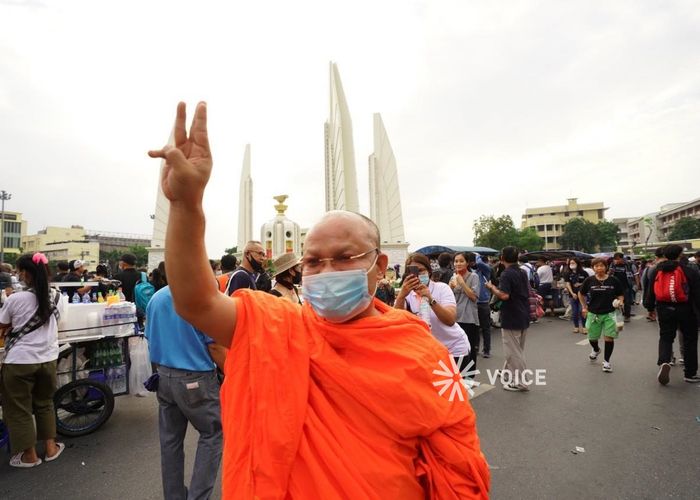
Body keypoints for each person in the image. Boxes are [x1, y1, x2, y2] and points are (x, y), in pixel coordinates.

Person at [147, 102, 489, 498]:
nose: (326, 271)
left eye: (345, 258)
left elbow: (457, 464)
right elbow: (196, 302)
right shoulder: (277, 326)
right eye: (312, 262)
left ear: (379, 265)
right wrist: (186, 205)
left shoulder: (420, 351)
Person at [146, 284, 226, 499]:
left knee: (170, 441)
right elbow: (215, 346)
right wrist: (233, 373)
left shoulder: (157, 298)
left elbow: (149, 338)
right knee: (213, 434)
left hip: (164, 376)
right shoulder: (198, 296)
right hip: (196, 378)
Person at [0, 253, 65, 467]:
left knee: (19, 409)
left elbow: (3, 325)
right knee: (45, 403)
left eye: (19, 271)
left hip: (19, 361)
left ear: (26, 273)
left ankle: (29, 456)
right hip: (48, 359)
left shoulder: (15, 299)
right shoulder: (58, 297)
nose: (18, 275)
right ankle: (51, 448)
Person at [396, 253, 471, 369]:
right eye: (412, 271)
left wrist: (430, 299)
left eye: (421, 270)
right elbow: (397, 321)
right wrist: (401, 296)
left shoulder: (442, 288)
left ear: (429, 271)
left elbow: (450, 320)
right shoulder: (407, 295)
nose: (417, 275)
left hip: (454, 348)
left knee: (455, 386)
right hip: (429, 352)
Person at [643, 244, 700, 384]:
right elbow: (697, 294)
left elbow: (650, 291)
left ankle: (664, 361)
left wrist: (650, 308)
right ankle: (690, 373)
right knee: (690, 340)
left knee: (666, 337)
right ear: (680, 255)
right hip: (686, 310)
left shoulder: (657, 270)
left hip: (664, 309)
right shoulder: (689, 270)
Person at [485, 247, 531, 391]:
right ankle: (507, 372)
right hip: (523, 313)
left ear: (502, 258)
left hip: (512, 315)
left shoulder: (506, 274)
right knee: (517, 348)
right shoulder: (522, 272)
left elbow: (504, 295)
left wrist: (491, 287)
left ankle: (520, 382)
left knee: (513, 351)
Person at [578, 258, 624, 373]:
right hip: (593, 313)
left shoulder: (613, 280)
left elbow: (620, 294)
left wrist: (620, 301)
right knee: (592, 338)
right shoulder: (589, 280)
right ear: (593, 268)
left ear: (606, 267)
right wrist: (584, 307)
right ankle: (596, 349)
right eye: (597, 266)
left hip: (610, 313)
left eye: (602, 266)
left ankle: (607, 362)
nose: (599, 268)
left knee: (609, 338)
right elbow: (581, 293)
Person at [449, 252, 481, 373]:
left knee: (470, 349)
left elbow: (473, 297)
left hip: (469, 318)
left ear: (467, 263)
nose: (458, 263)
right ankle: (459, 374)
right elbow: (449, 298)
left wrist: (462, 283)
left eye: (461, 261)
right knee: (457, 349)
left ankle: (469, 377)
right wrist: (450, 287)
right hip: (455, 318)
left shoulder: (474, 277)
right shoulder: (453, 277)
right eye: (456, 261)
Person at [474, 254, 492, 358]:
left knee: (486, 328)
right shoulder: (471, 272)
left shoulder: (485, 270)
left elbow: (480, 263)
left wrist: (476, 256)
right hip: (473, 303)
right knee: (475, 328)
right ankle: (476, 348)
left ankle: (486, 350)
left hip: (484, 302)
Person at [609, 252, 634, 322]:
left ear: (622, 258)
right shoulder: (612, 265)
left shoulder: (627, 265)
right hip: (615, 286)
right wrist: (611, 270)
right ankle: (618, 314)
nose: (616, 260)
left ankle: (627, 315)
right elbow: (609, 274)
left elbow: (632, 275)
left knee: (627, 301)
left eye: (618, 259)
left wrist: (635, 284)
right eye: (615, 259)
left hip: (625, 286)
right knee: (615, 301)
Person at [565, 258, 588, 334]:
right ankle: (576, 327)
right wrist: (572, 293)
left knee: (582, 310)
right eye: (570, 263)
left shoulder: (583, 273)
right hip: (573, 295)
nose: (571, 264)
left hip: (582, 295)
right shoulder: (568, 273)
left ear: (577, 263)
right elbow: (568, 284)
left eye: (573, 263)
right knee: (575, 312)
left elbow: (587, 282)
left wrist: (580, 284)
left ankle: (584, 327)